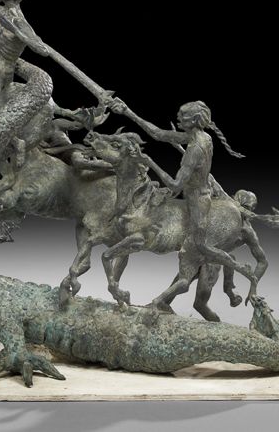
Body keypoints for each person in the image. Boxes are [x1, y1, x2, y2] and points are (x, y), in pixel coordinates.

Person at [110, 98, 257, 308]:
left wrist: (150, 162)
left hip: (197, 202)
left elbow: (175, 183)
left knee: (201, 246)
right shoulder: (202, 136)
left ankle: (243, 271)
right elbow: (158, 134)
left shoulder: (196, 147)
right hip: (195, 195)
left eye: (183, 117)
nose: (178, 119)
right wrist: (128, 112)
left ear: (194, 120)